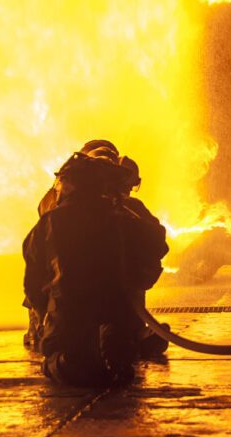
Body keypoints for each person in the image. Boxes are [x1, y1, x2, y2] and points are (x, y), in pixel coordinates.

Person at [22, 149, 169, 385]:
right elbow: (156, 248)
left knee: (66, 361)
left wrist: (41, 319)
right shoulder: (124, 215)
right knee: (119, 346)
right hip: (118, 310)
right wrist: (136, 284)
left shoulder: (50, 222)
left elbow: (33, 281)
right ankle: (120, 350)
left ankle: (73, 360)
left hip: (69, 314)